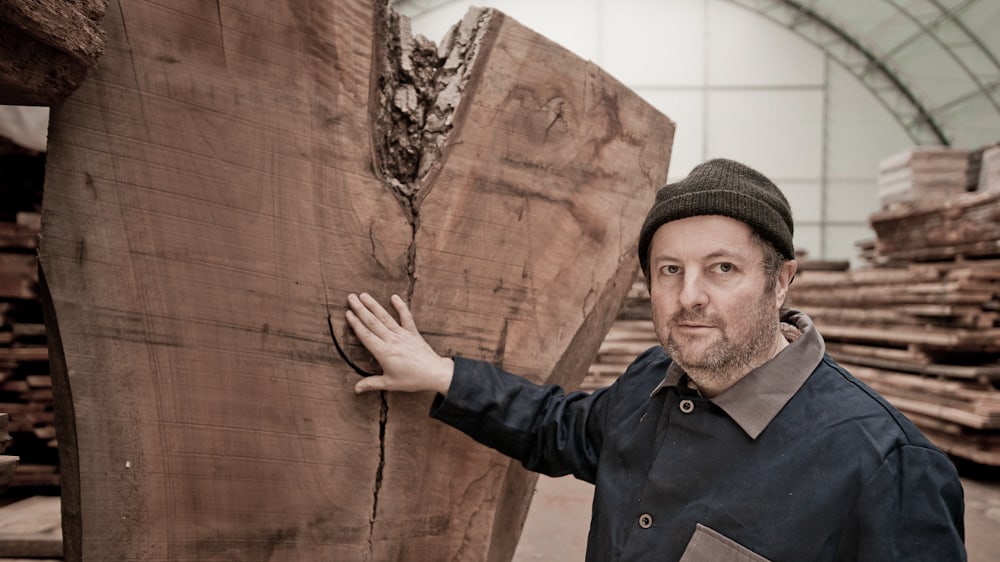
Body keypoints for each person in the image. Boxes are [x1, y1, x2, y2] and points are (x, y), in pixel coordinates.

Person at [345, 158, 966, 561]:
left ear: (782, 281)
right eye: (671, 270)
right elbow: (558, 428)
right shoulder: (651, 381)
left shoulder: (884, 464)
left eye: (722, 268)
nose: (689, 295)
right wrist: (439, 375)